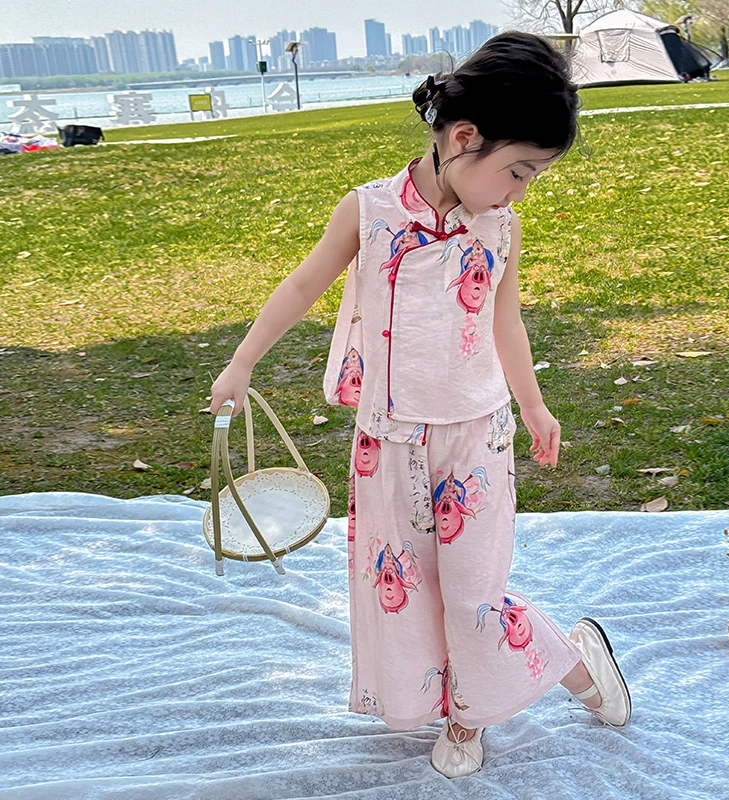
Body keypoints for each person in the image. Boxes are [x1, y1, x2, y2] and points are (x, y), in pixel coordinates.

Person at [210, 31, 632, 779]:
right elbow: (303, 284)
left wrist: (534, 406)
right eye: (518, 171)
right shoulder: (369, 211)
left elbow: (505, 319)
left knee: (472, 595)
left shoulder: (500, 225)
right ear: (463, 138)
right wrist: (242, 363)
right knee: (407, 590)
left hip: (476, 434)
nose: (520, 192)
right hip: (390, 439)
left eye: (532, 177)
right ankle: (491, 693)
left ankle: (493, 707)